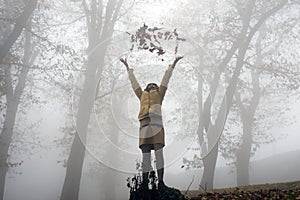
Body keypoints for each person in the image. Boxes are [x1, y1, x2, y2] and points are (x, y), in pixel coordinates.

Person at [120, 56, 183, 192]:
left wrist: (173, 64)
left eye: (155, 85)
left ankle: (160, 182)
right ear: (146, 88)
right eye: (150, 85)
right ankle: (144, 184)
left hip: (157, 125)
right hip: (144, 126)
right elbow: (134, 83)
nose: (153, 85)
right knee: (146, 156)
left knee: (159, 153)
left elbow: (166, 80)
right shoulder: (141, 94)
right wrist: (127, 68)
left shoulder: (160, 94)